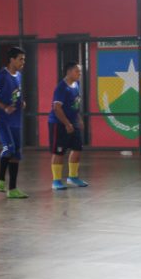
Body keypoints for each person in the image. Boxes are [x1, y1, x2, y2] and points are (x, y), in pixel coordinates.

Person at [0, 47, 27, 199]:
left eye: (24, 59)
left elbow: (17, 93)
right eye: (20, 59)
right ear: (12, 59)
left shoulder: (19, 76)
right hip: (3, 120)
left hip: (16, 120)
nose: (23, 62)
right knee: (9, 148)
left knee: (16, 154)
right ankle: (1, 179)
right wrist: (4, 107)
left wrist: (22, 102)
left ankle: (13, 189)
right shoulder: (2, 75)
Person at [48, 62, 88, 191]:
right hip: (59, 123)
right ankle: (56, 181)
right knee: (59, 152)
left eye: (80, 71)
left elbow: (75, 105)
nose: (79, 74)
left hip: (73, 122)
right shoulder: (61, 88)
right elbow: (57, 108)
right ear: (69, 72)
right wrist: (67, 123)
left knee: (77, 149)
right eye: (77, 71)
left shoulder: (77, 84)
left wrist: (79, 119)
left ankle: (72, 177)